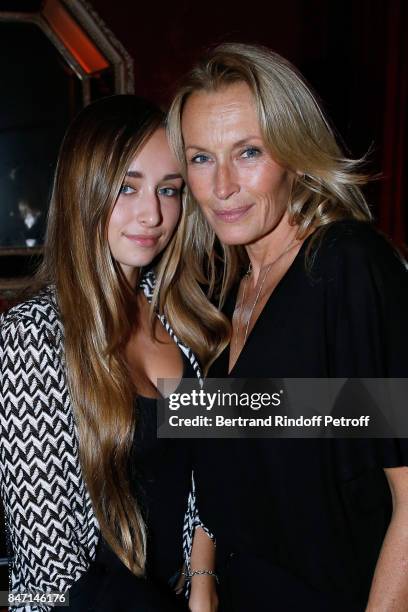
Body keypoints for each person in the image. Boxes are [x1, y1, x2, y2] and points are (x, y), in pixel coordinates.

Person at [167, 43, 408, 611]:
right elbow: (218, 463)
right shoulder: (219, 288)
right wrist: (202, 581)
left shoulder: (346, 267)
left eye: (248, 152)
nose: (221, 185)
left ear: (296, 153)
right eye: (201, 158)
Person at [0, 95, 222, 611]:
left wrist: (373, 408)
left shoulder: (183, 323)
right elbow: (53, 570)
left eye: (170, 190)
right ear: (85, 190)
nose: (153, 214)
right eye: (127, 187)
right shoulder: (31, 336)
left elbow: (232, 449)